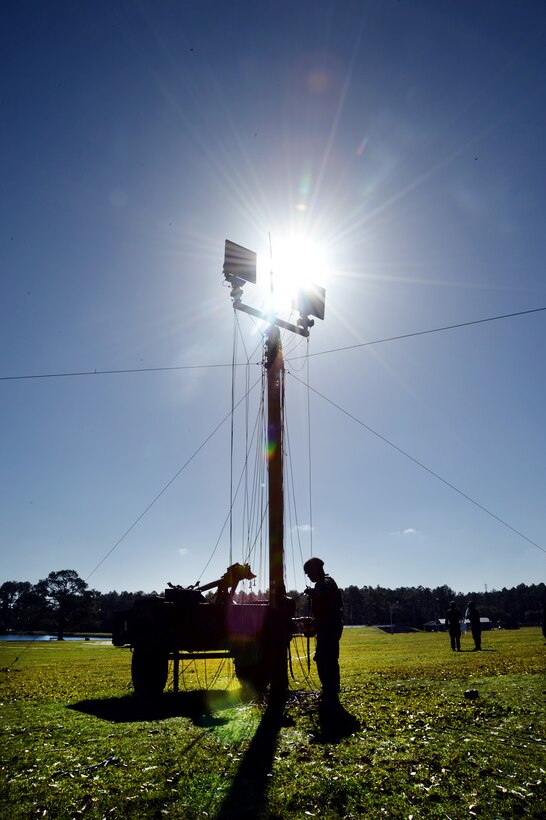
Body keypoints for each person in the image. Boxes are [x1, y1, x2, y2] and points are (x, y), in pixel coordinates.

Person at [303, 557, 344, 702]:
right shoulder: (326, 582)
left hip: (330, 625)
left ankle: (330, 690)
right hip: (328, 624)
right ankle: (330, 689)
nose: (309, 576)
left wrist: (313, 594)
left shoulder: (325, 583)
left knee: (326, 658)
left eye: (309, 573)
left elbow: (324, 595)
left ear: (316, 570)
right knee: (326, 657)